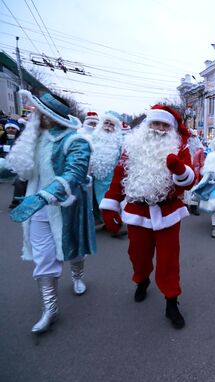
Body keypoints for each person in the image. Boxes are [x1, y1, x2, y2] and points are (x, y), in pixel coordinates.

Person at [6, 90, 95, 334]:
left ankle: (77, 276)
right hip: (37, 211)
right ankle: (50, 308)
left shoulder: (76, 141)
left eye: (41, 112)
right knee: (44, 258)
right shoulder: (34, 138)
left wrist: (46, 195)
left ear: (52, 116)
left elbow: (75, 173)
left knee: (74, 249)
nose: (37, 116)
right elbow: (17, 166)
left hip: (66, 208)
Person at [99, 104, 195, 329]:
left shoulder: (180, 149)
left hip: (168, 211)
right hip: (138, 210)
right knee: (138, 255)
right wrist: (110, 206)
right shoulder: (131, 147)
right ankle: (141, 280)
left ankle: (171, 301)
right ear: (147, 125)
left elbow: (191, 179)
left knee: (168, 261)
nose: (160, 129)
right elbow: (118, 177)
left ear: (170, 129)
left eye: (164, 125)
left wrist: (180, 170)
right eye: (156, 123)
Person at [89, 113, 123, 227]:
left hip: (112, 176)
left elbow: (122, 158)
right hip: (96, 176)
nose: (108, 126)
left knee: (111, 200)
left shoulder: (119, 140)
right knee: (99, 201)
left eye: (111, 124)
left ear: (115, 126)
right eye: (106, 123)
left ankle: (116, 223)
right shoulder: (94, 136)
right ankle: (107, 221)